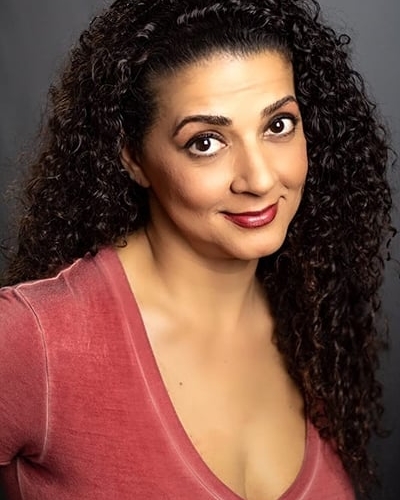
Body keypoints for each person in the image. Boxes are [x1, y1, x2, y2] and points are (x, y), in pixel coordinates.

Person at [0, 0, 394, 498]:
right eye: (206, 142)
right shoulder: (33, 340)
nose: (260, 179)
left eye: (277, 125)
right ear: (133, 158)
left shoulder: (313, 321)